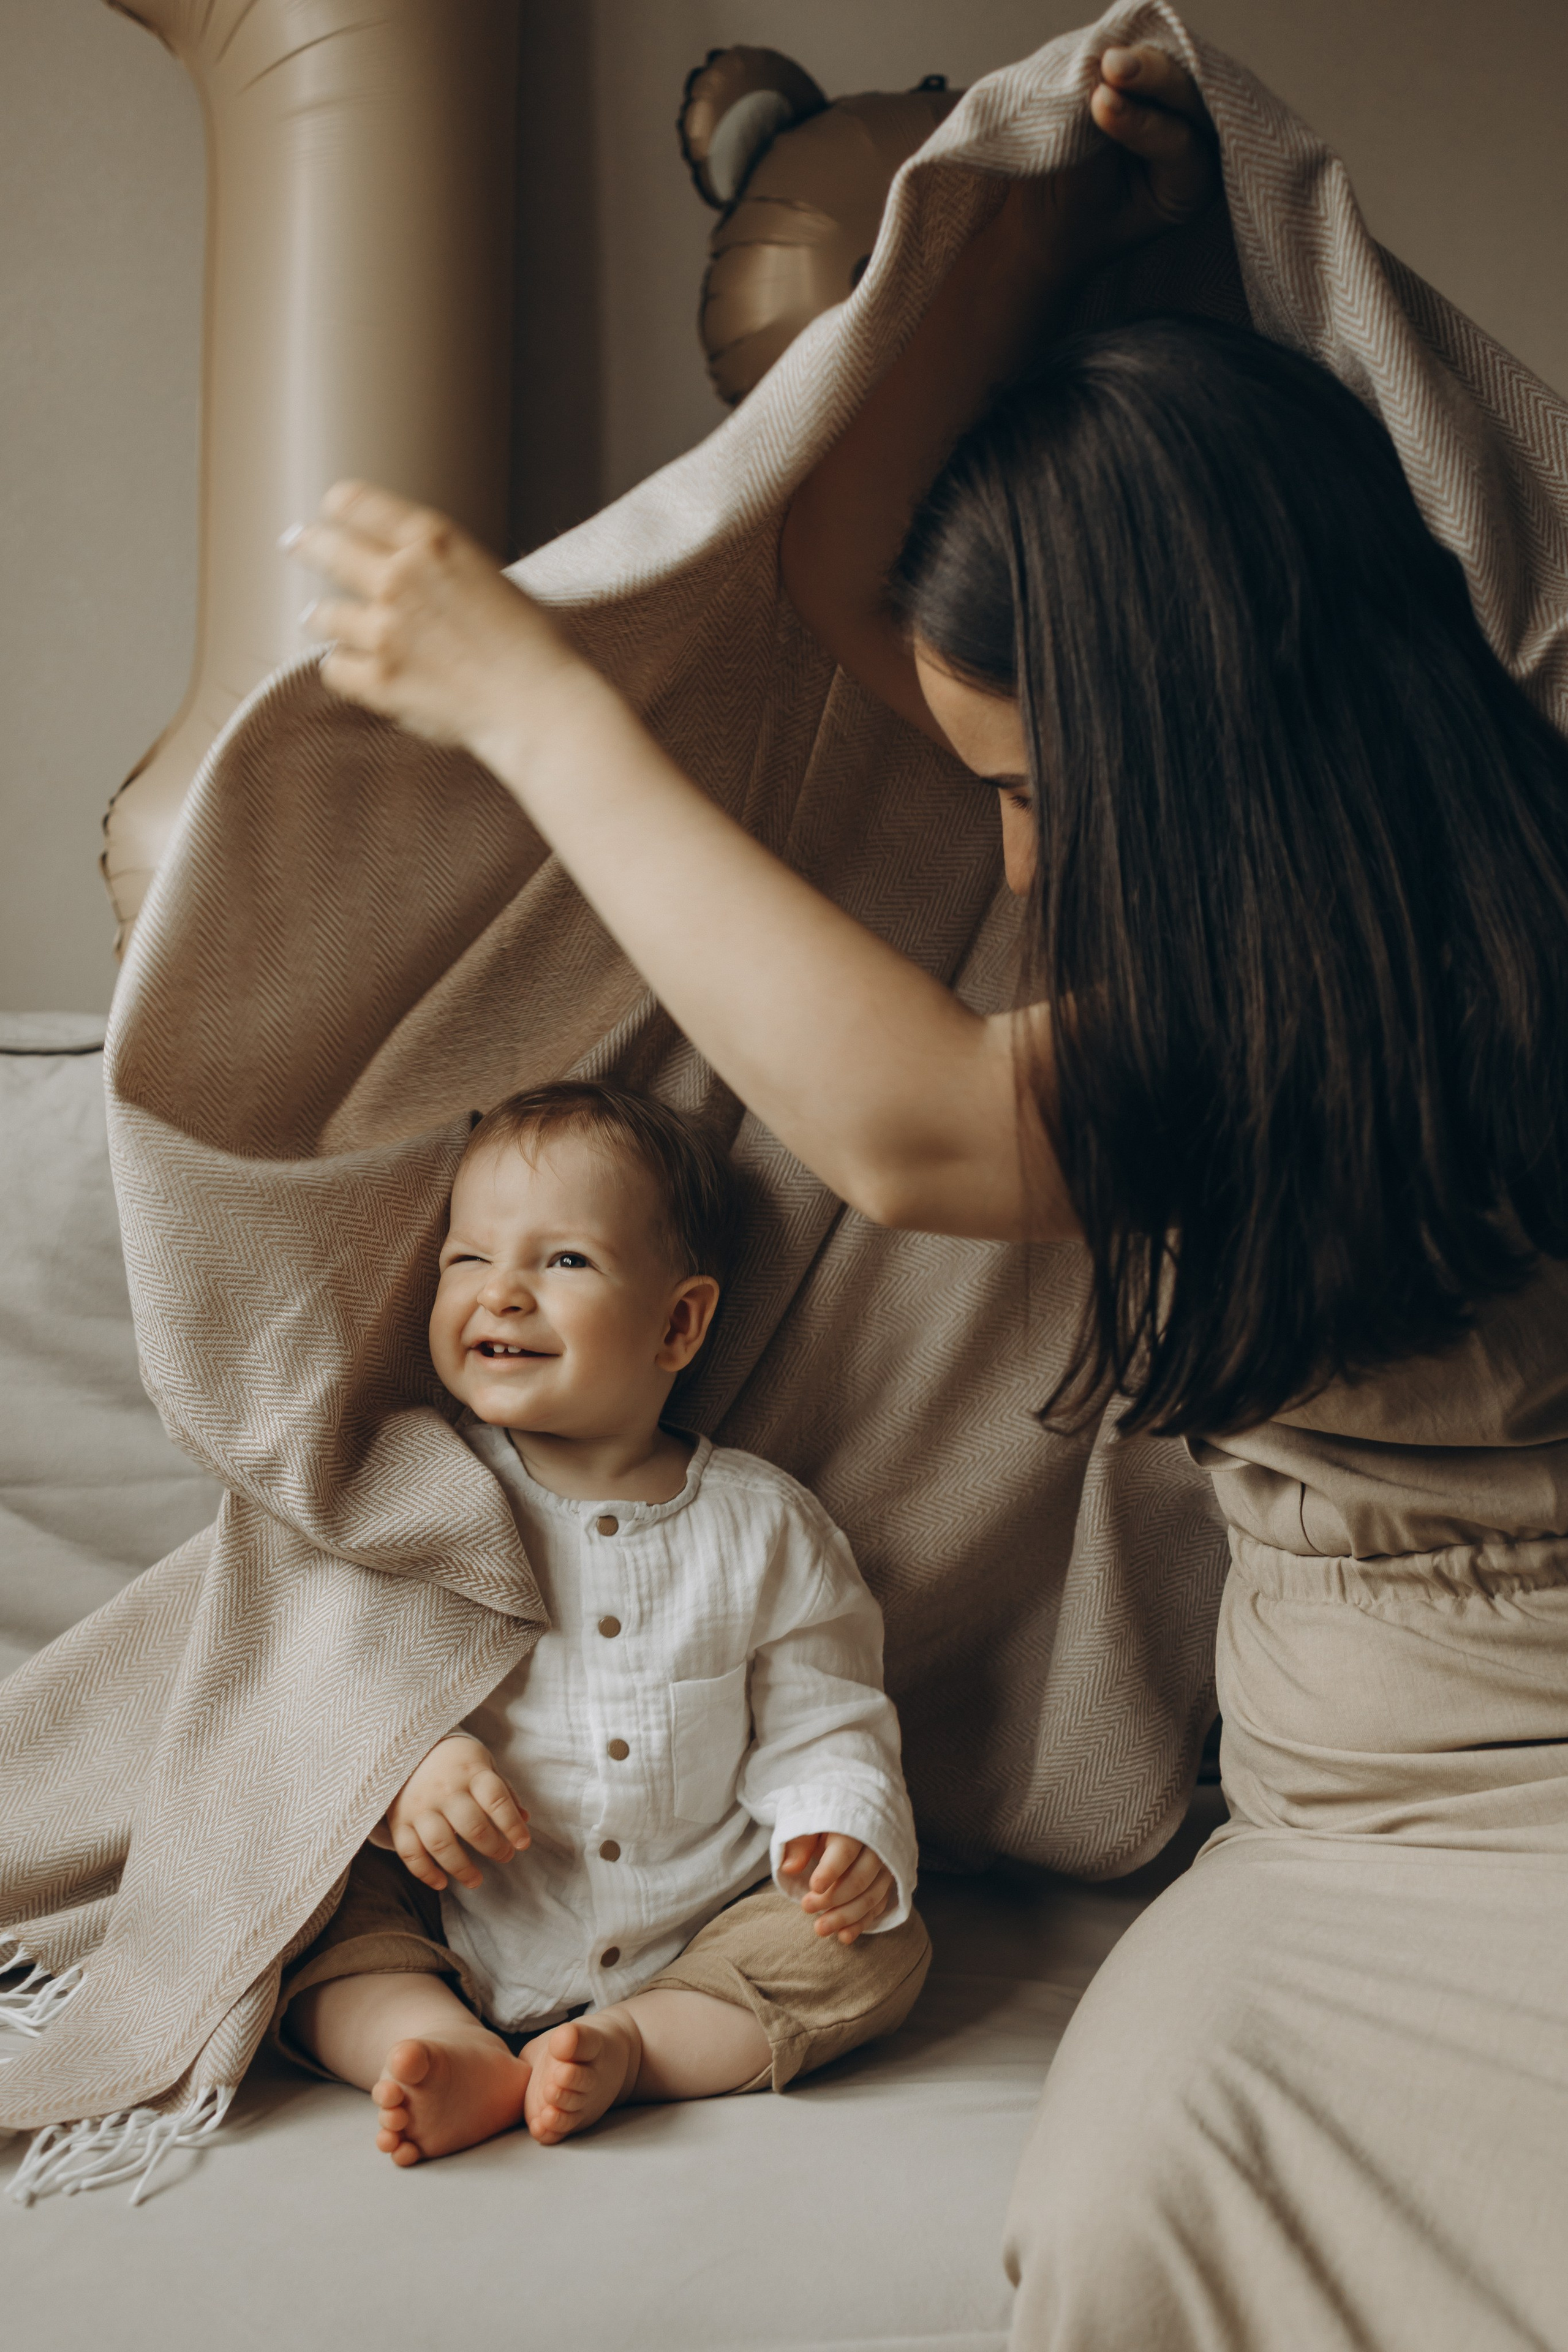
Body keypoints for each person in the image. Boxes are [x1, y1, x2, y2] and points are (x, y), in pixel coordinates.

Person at [286, 40, 1568, 2351]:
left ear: (1214, 752)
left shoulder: (1359, 996)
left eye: (1033, 798)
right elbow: (828, 562)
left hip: (1515, 1789)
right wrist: (1040, 233)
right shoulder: (1304, 889)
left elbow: (909, 1125)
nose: (1019, 867)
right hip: (1349, 1815)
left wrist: (535, 704)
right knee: (1133, 2211)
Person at [277, 1081, 927, 2165]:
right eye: (468, 1260)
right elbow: (332, 1668)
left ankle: (631, 2047)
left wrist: (840, 1826)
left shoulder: (765, 1526)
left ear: (678, 1322)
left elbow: (827, 1711)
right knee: (312, 1923)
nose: (504, 1294)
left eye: (563, 1261)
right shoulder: (420, 1494)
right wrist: (410, 1766)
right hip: (460, 1909)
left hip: (702, 1920)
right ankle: (432, 2040)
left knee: (877, 1948)